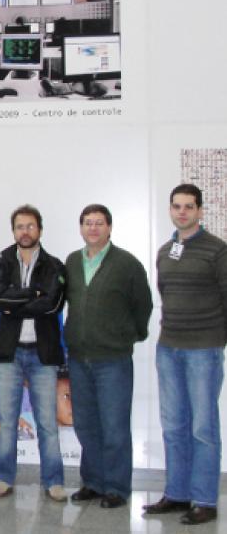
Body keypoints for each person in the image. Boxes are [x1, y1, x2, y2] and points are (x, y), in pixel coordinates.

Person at [143, 184, 227, 526]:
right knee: (174, 425)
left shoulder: (217, 250)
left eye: (189, 206)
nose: (182, 212)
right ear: (170, 210)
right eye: (176, 206)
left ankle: (205, 500)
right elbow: (166, 292)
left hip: (204, 349)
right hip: (169, 348)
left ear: (200, 211)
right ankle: (177, 493)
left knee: (203, 428)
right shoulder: (166, 250)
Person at [64, 204, 152, 509]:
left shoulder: (127, 264)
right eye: (87, 222)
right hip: (78, 357)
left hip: (112, 359)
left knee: (114, 426)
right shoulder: (72, 261)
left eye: (99, 223)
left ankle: (116, 487)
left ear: (110, 228)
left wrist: (131, 335)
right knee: (86, 424)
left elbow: (143, 305)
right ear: (81, 228)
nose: (93, 228)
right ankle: (93, 482)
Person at [0, 205, 67, 501]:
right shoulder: (2, 262)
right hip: (10, 353)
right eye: (20, 226)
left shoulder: (55, 266)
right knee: (8, 420)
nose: (25, 231)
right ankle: (4, 478)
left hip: (42, 355)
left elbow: (52, 304)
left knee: (47, 421)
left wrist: (15, 302)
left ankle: (54, 481)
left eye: (30, 226)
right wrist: (32, 294)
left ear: (40, 230)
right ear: (14, 231)